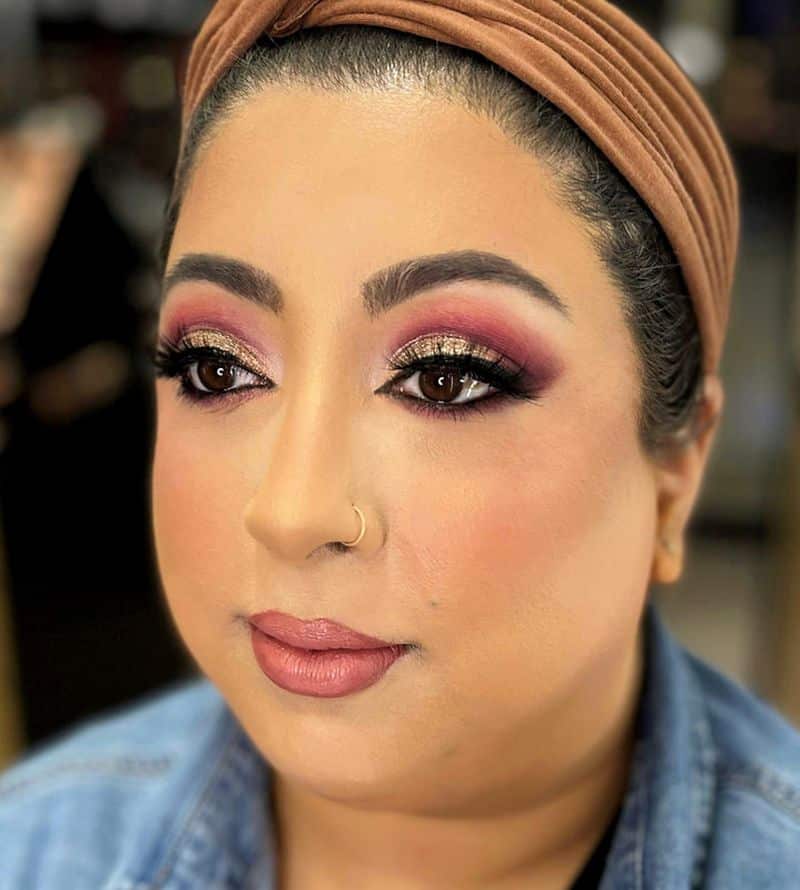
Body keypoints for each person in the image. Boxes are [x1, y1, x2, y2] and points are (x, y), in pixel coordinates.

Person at [1, 2, 799, 888]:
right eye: (217, 369)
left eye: (445, 378)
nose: (293, 512)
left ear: (679, 469)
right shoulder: (35, 851)